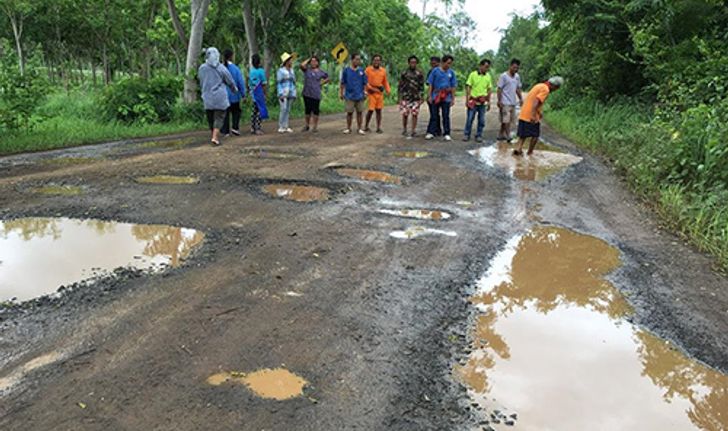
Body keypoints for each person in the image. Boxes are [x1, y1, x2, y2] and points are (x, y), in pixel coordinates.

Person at [513, 76, 564, 156]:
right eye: (556, 88)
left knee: (523, 134)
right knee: (535, 135)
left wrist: (539, 113)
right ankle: (530, 152)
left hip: (524, 113)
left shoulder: (539, 85)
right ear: (554, 86)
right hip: (530, 115)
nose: (555, 90)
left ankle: (518, 148)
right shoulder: (545, 90)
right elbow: (536, 101)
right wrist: (533, 115)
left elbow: (533, 100)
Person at [198, 47, 237, 146]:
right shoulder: (221, 68)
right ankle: (215, 137)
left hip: (207, 97)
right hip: (220, 98)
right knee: (219, 117)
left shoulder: (202, 68)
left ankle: (213, 135)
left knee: (211, 117)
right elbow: (230, 81)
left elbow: (201, 81)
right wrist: (234, 89)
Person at [425, 54, 457, 142]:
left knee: (446, 115)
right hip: (436, 95)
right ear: (443, 62)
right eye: (448, 63)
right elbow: (430, 84)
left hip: (446, 97)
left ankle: (447, 133)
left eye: (450, 63)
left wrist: (453, 99)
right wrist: (429, 96)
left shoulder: (451, 73)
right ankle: (431, 132)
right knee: (434, 115)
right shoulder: (435, 71)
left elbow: (453, 86)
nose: (449, 65)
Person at [463, 59, 493, 143]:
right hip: (473, 100)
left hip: (482, 102)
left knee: (482, 120)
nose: (487, 69)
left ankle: (479, 135)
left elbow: (489, 89)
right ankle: (466, 134)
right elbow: (468, 86)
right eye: (486, 67)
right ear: (481, 66)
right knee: (469, 119)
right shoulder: (473, 74)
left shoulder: (488, 76)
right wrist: (467, 99)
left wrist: (489, 101)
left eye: (488, 67)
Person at [299, 55, 330, 132]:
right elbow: (302, 65)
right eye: (312, 61)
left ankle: (315, 126)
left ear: (317, 63)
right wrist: (308, 59)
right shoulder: (307, 70)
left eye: (315, 61)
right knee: (307, 110)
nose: (313, 63)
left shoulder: (320, 72)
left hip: (316, 93)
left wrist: (321, 83)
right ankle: (307, 125)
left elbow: (328, 78)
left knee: (315, 110)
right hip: (307, 92)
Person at [339, 53, 368, 135]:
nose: (358, 61)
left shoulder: (362, 71)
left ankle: (359, 128)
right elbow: (342, 83)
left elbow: (365, 83)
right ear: (352, 60)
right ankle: (348, 128)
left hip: (360, 95)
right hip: (349, 95)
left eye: (359, 59)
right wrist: (341, 93)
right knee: (349, 112)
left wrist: (365, 92)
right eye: (356, 59)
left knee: (360, 112)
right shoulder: (346, 70)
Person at [220, 49, 246, 137]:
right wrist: (243, 94)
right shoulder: (235, 69)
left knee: (225, 113)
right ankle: (235, 128)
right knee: (236, 112)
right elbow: (240, 82)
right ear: (231, 56)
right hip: (234, 95)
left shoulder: (219, 68)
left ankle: (225, 131)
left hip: (223, 96)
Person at [398, 55, 425, 138]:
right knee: (405, 114)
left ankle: (413, 130)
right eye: (411, 62)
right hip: (406, 97)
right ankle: (405, 129)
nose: (413, 64)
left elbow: (421, 86)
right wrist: (399, 97)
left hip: (416, 97)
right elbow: (400, 86)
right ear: (409, 63)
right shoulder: (404, 73)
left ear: (416, 63)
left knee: (414, 114)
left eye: (414, 62)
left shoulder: (419, 73)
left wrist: (422, 96)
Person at [497, 58, 524, 141]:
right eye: (514, 67)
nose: (515, 69)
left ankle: (501, 134)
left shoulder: (517, 77)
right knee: (506, 119)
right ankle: (508, 135)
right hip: (505, 102)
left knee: (508, 119)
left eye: (517, 68)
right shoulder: (503, 76)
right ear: (510, 66)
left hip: (512, 102)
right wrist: (499, 100)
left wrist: (520, 98)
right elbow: (499, 89)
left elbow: (517, 88)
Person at [364, 54, 391, 133]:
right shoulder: (368, 70)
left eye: (378, 60)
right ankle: (366, 126)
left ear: (380, 62)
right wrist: (368, 89)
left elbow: (385, 82)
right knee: (370, 110)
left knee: (379, 110)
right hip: (371, 92)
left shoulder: (383, 71)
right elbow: (365, 81)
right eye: (375, 60)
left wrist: (388, 90)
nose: (377, 62)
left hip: (379, 92)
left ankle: (378, 127)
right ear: (372, 61)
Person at [276, 52, 297, 133]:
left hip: (291, 92)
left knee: (288, 109)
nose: (291, 61)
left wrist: (294, 93)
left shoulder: (292, 70)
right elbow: (279, 83)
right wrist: (280, 93)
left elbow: (294, 82)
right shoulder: (281, 71)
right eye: (290, 60)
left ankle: (286, 125)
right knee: (283, 109)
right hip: (283, 93)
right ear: (286, 61)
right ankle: (281, 125)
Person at [248, 54, 268, 135]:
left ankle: (252, 127)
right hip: (259, 93)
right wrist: (265, 94)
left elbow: (249, 83)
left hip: (253, 93)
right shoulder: (261, 71)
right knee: (259, 111)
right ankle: (258, 128)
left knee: (254, 111)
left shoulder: (251, 72)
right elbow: (264, 84)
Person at [426, 56, 442, 137]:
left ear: (439, 63)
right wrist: (429, 96)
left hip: (440, 96)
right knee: (434, 114)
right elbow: (428, 84)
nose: (433, 65)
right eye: (432, 64)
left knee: (436, 114)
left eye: (435, 64)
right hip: (432, 95)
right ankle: (435, 130)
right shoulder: (430, 72)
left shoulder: (442, 72)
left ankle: (434, 130)